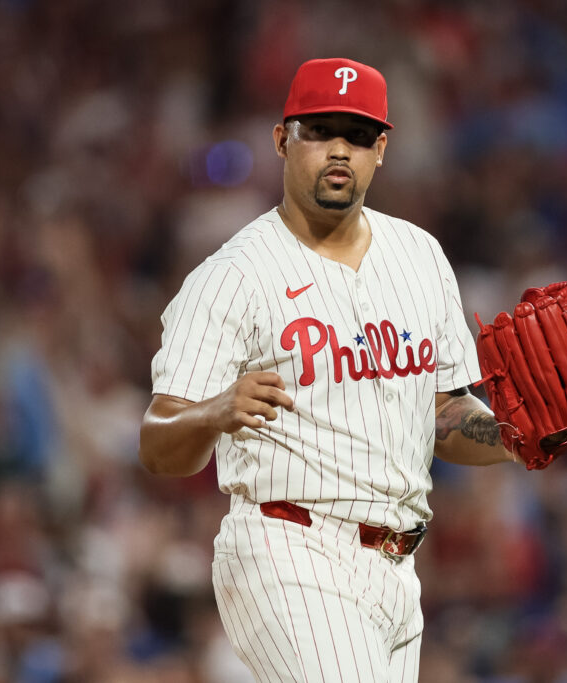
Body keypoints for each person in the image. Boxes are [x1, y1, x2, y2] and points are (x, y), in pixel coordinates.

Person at [139, 57, 519, 683]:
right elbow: (157, 443)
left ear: (382, 149)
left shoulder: (420, 256)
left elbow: (443, 414)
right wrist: (215, 410)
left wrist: (513, 436)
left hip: (397, 568)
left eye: (359, 134)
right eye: (320, 131)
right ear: (282, 138)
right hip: (286, 547)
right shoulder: (232, 278)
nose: (340, 149)